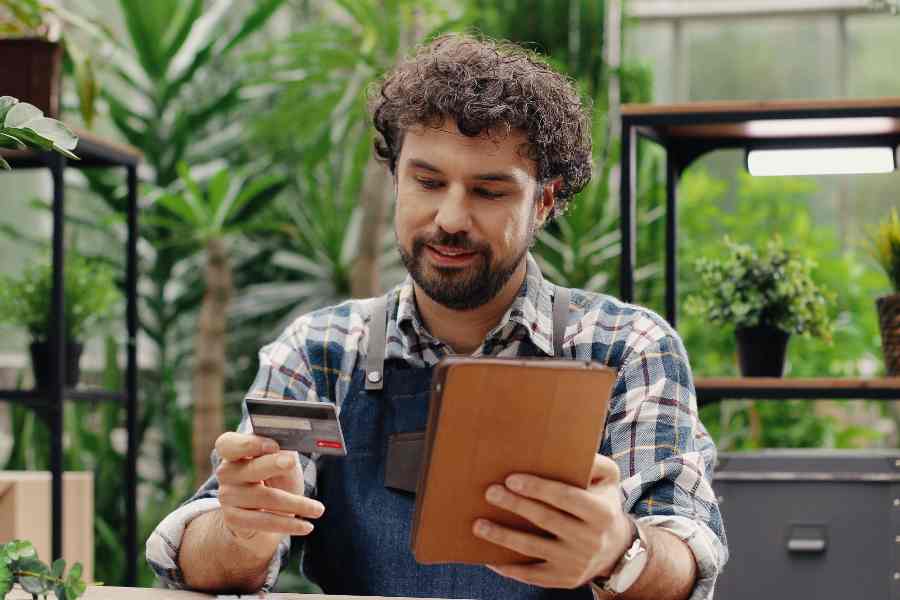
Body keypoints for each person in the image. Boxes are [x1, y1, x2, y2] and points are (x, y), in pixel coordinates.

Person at [147, 34, 727, 600]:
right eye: (427, 181)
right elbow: (203, 560)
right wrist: (244, 529)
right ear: (396, 177)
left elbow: (684, 556)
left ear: (544, 202)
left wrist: (618, 551)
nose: (450, 217)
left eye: (489, 191)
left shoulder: (625, 347)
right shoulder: (320, 352)